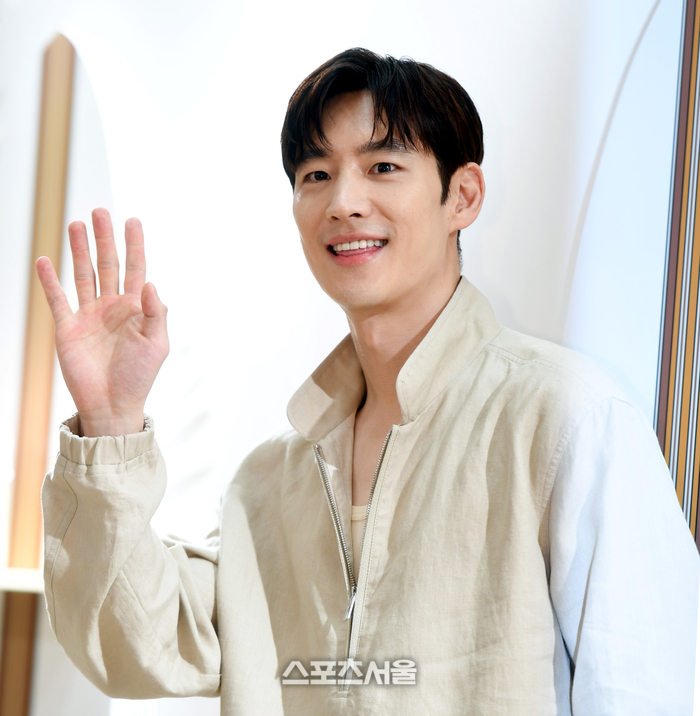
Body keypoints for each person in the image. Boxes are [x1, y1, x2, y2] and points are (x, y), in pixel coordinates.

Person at [38, 48, 698, 715]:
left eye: (383, 167)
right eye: (316, 175)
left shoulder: (566, 416)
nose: (344, 203)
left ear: (463, 196)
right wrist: (111, 422)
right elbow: (139, 644)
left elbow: (646, 691)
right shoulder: (267, 482)